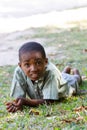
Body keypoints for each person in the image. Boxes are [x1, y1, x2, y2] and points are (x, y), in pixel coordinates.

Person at [6, 41, 82, 113]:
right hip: (57, 78)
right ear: (20, 66)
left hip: (65, 85)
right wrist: (16, 104)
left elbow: (49, 101)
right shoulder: (19, 71)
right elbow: (18, 98)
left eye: (38, 63)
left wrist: (26, 102)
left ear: (45, 62)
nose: (33, 69)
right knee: (62, 76)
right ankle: (65, 71)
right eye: (27, 65)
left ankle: (76, 73)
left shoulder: (51, 72)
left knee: (74, 80)